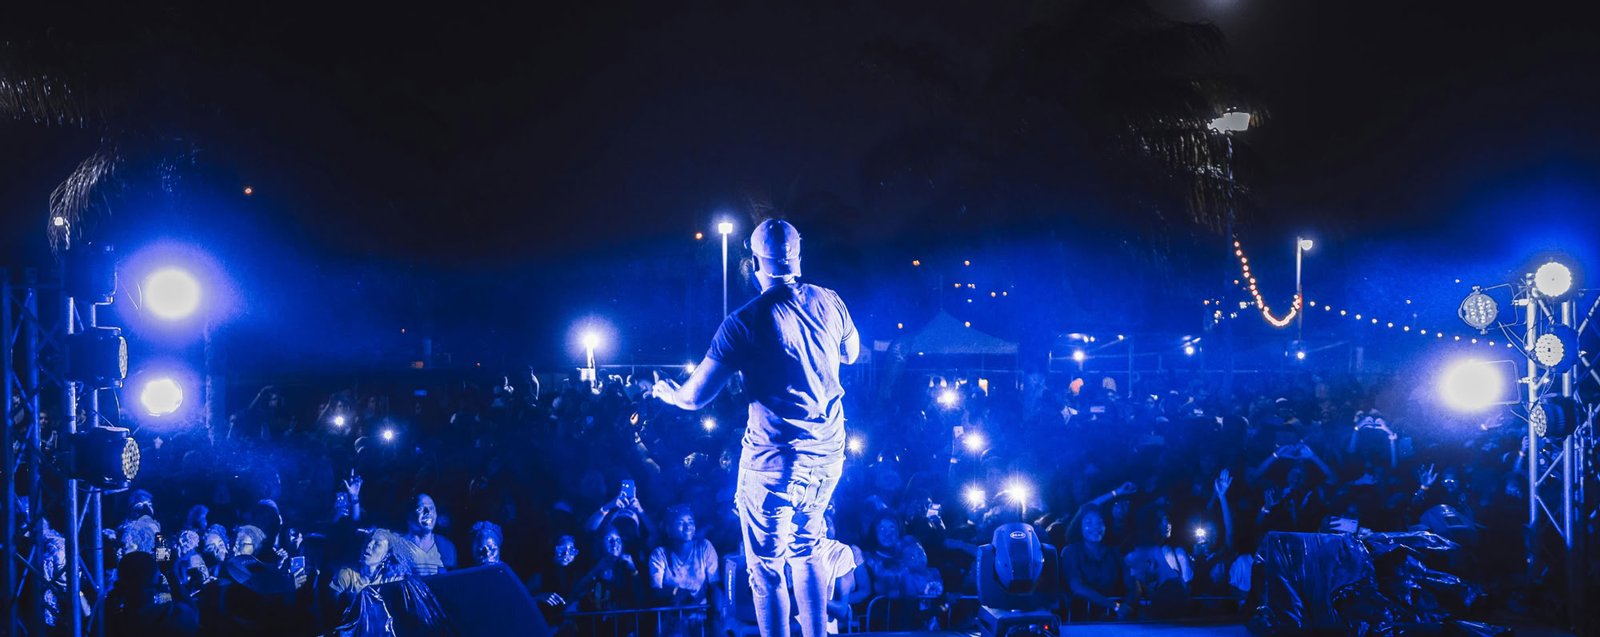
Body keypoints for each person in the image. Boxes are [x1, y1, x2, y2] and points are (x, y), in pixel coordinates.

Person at [653, 218, 859, 637]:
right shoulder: (831, 301)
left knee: (766, 569)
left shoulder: (745, 321)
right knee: (807, 550)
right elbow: (852, 354)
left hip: (773, 462)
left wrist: (667, 393)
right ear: (798, 256)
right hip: (827, 456)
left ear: (754, 263)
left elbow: (695, 397)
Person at [101, 552, 200, 637]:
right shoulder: (174, 619)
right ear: (160, 582)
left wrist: (113, 595)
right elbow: (192, 612)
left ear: (119, 585)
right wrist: (169, 573)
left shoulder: (109, 623)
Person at [396, 493, 456, 577]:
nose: (428, 512)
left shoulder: (445, 545)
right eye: (420, 509)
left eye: (431, 508)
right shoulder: (398, 547)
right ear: (409, 515)